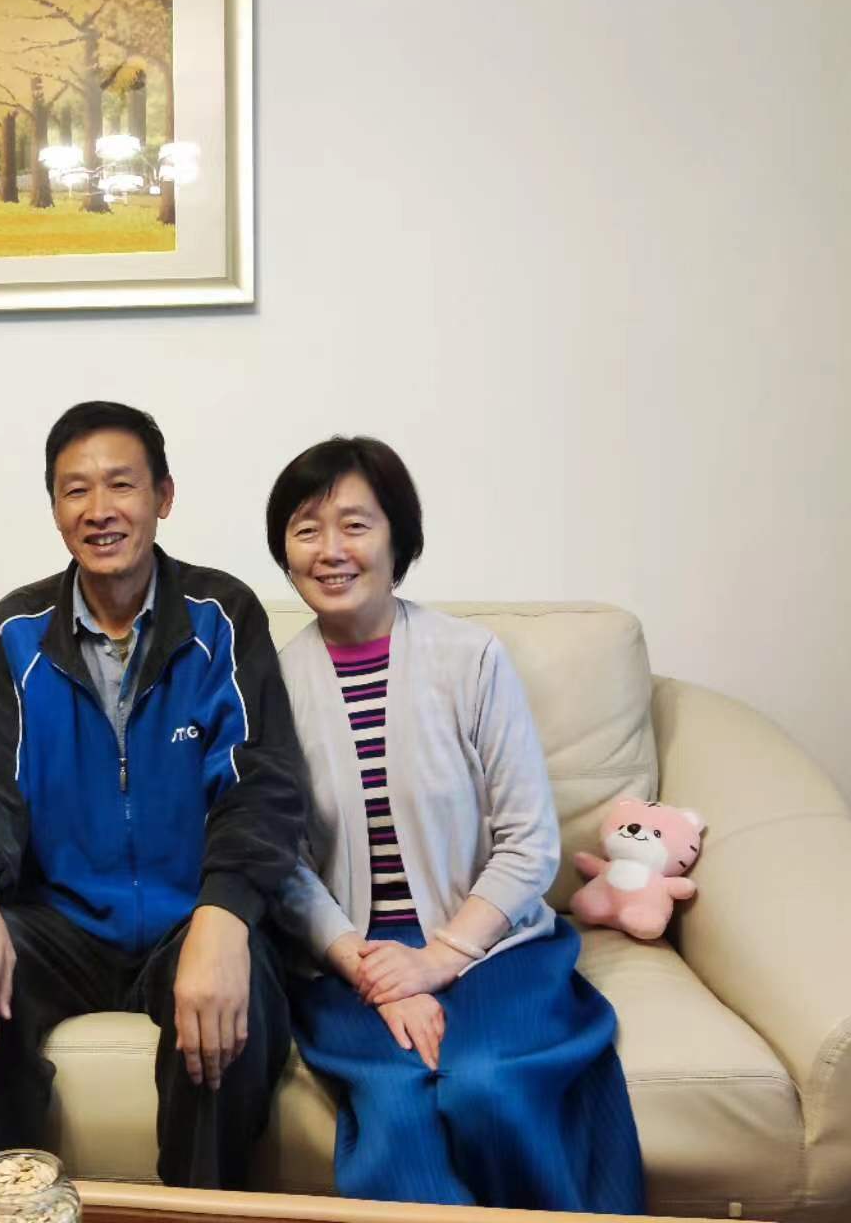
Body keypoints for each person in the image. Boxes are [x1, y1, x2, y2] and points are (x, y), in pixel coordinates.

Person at [0, 400, 306, 1188]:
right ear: (55, 509)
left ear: (163, 496)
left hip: (188, 915)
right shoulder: (15, 631)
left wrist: (225, 914)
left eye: (121, 485)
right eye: (76, 490)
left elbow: (261, 787)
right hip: (61, 921)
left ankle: (199, 1209)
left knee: (241, 986)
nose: (99, 509)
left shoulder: (222, 617)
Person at [265, 436, 643, 1211]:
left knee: (487, 1084)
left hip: (488, 940)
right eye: (306, 530)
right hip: (349, 955)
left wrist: (440, 958)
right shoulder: (272, 684)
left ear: (398, 538)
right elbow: (281, 862)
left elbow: (529, 841)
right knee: (397, 1109)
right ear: (285, 552)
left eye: (355, 525)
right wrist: (371, 970)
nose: (330, 551)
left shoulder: (470, 658)